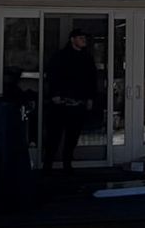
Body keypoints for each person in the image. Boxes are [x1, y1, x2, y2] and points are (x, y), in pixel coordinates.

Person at [41, 28, 101, 174]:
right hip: (61, 103)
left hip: (78, 103)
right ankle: (47, 165)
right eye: (80, 38)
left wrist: (90, 98)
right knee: (54, 136)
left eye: (84, 39)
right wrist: (54, 94)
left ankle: (67, 163)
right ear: (72, 39)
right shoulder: (60, 56)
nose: (83, 41)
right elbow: (52, 75)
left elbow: (92, 79)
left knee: (73, 136)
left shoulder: (87, 58)